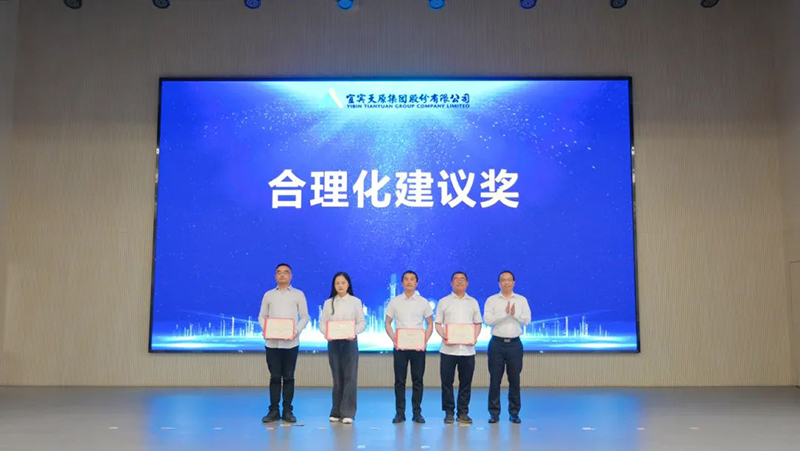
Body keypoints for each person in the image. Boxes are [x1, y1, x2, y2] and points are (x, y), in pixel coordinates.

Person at [258, 263, 310, 424]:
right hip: (272, 343)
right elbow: (261, 316)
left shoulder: (298, 294)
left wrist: (296, 331)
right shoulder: (268, 295)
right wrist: (268, 329)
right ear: (275, 276)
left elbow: (305, 317)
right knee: (274, 377)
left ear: (291, 276)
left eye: (286, 272)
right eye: (279, 272)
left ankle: (288, 411)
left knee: (288, 377)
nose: (282, 275)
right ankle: (273, 411)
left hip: (291, 343)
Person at [384, 270, 434, 424]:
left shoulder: (423, 302)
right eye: (406, 279)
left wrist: (425, 339)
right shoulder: (395, 302)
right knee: (400, 381)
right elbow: (387, 322)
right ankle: (400, 413)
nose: (409, 282)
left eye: (412, 279)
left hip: (418, 348)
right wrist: (393, 338)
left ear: (416, 283)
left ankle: (417, 413)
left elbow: (430, 323)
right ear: (402, 283)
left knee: (418, 381)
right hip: (400, 348)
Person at [483, 270, 531, 424]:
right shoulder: (492, 300)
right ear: (499, 283)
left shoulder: (521, 300)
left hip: (515, 344)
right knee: (495, 380)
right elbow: (488, 320)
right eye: (503, 280)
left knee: (514, 380)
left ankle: (514, 413)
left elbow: (527, 320)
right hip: (496, 344)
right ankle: (494, 413)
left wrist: (514, 314)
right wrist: (505, 314)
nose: (506, 282)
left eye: (509, 280)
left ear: (514, 283)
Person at [434, 271, 482, 425]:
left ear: (467, 283)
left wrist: (474, 337)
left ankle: (463, 412)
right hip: (448, 350)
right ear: (451, 283)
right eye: (456, 279)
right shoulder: (444, 301)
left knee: (466, 383)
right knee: (447, 383)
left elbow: (478, 323)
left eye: (462, 279)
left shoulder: (473, 302)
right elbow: (437, 323)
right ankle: (448, 413)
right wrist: (443, 335)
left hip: (468, 351)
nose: (459, 281)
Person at [319, 272, 366, 425]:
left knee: (350, 376)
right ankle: (336, 411)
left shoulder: (355, 301)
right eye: (337, 283)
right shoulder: (328, 303)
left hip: (350, 342)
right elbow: (322, 323)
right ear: (334, 285)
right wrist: (327, 333)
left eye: (343, 283)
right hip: (333, 343)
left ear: (348, 284)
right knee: (337, 377)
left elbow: (361, 323)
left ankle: (348, 412)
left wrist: (353, 332)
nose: (340, 285)